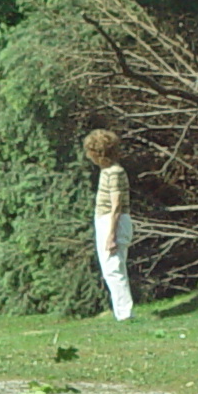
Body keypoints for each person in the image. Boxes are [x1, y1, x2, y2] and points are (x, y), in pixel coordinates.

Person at [83, 127, 134, 322]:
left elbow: (116, 205)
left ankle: (125, 315)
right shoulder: (108, 172)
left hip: (112, 222)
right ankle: (123, 312)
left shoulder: (113, 173)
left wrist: (111, 235)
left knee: (113, 270)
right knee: (114, 269)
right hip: (108, 221)